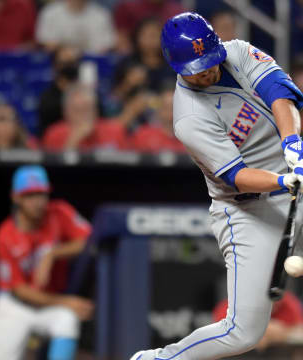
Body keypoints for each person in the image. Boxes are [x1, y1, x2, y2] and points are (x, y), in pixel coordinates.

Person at [130, 12, 303, 360]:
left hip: (292, 170)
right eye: (196, 67)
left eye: (208, 61)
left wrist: (292, 144)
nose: (206, 71)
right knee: (243, 332)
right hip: (248, 208)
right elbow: (235, 175)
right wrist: (283, 180)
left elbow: (279, 93)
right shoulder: (189, 117)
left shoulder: (236, 52)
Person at [0, 165, 94, 360]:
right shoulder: (5, 235)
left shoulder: (58, 212)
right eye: (29, 196)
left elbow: (90, 239)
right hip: (15, 307)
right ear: (16, 197)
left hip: (49, 303)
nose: (38, 202)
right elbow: (20, 291)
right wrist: (67, 302)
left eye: (41, 194)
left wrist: (53, 253)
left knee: (67, 320)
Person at [42, 85, 128, 151]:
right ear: (66, 112)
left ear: (96, 110)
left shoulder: (115, 130)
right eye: (78, 110)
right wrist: (74, 139)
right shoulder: (54, 134)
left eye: (87, 109)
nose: (83, 115)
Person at [212, 291, 303, 351]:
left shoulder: (287, 303)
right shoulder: (235, 303)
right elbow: (219, 332)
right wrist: (264, 330)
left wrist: (284, 333)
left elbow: (299, 331)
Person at [36, 0, 115, 54]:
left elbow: (104, 48)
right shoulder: (50, 12)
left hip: (91, 64)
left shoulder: (101, 14)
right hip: (57, 63)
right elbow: (47, 44)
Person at [113, 0, 186, 54]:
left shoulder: (178, 11)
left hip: (170, 60)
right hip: (136, 59)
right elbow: (123, 44)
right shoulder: (127, 7)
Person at [38, 45, 81, 136]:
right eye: (63, 63)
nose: (68, 68)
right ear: (55, 66)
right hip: (55, 145)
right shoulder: (47, 98)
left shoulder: (88, 94)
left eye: (71, 63)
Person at [130, 88, 187, 153]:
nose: (171, 113)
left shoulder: (189, 140)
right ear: (159, 111)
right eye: (167, 107)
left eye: (174, 107)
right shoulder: (143, 135)